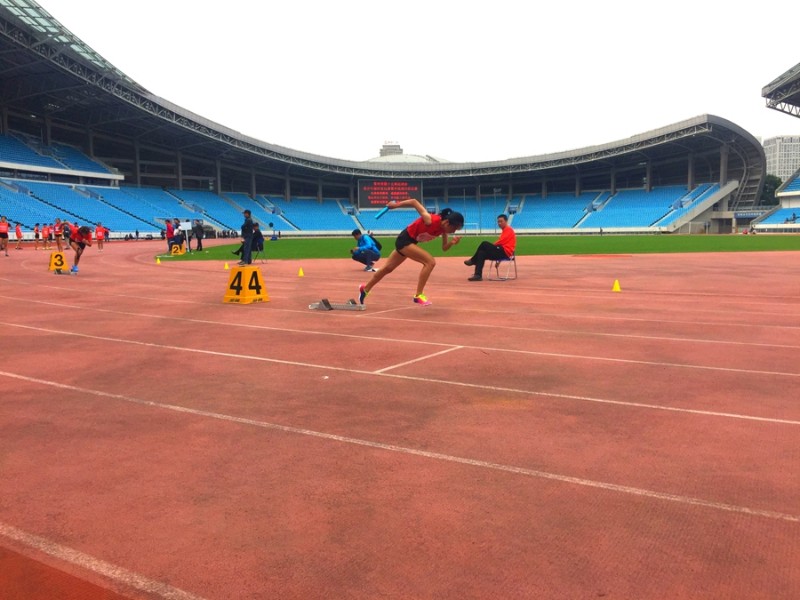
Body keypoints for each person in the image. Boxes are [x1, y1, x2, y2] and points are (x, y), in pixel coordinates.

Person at [358, 201, 463, 307]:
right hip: (404, 240)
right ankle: (418, 295)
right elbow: (414, 202)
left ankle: (365, 289)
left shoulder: (443, 231)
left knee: (387, 268)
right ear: (447, 222)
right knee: (430, 262)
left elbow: (444, 248)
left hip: (410, 243)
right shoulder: (430, 220)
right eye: (454, 228)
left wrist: (452, 243)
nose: (454, 232)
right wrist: (396, 205)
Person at [464, 214, 516, 281]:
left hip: (505, 253)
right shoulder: (504, 231)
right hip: (501, 252)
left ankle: (473, 260)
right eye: (498, 222)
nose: (499, 223)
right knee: (481, 253)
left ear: (506, 221)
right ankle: (478, 275)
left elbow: (501, 242)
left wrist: (491, 246)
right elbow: (501, 245)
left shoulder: (508, 229)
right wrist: (498, 262)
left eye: (501, 221)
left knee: (484, 244)